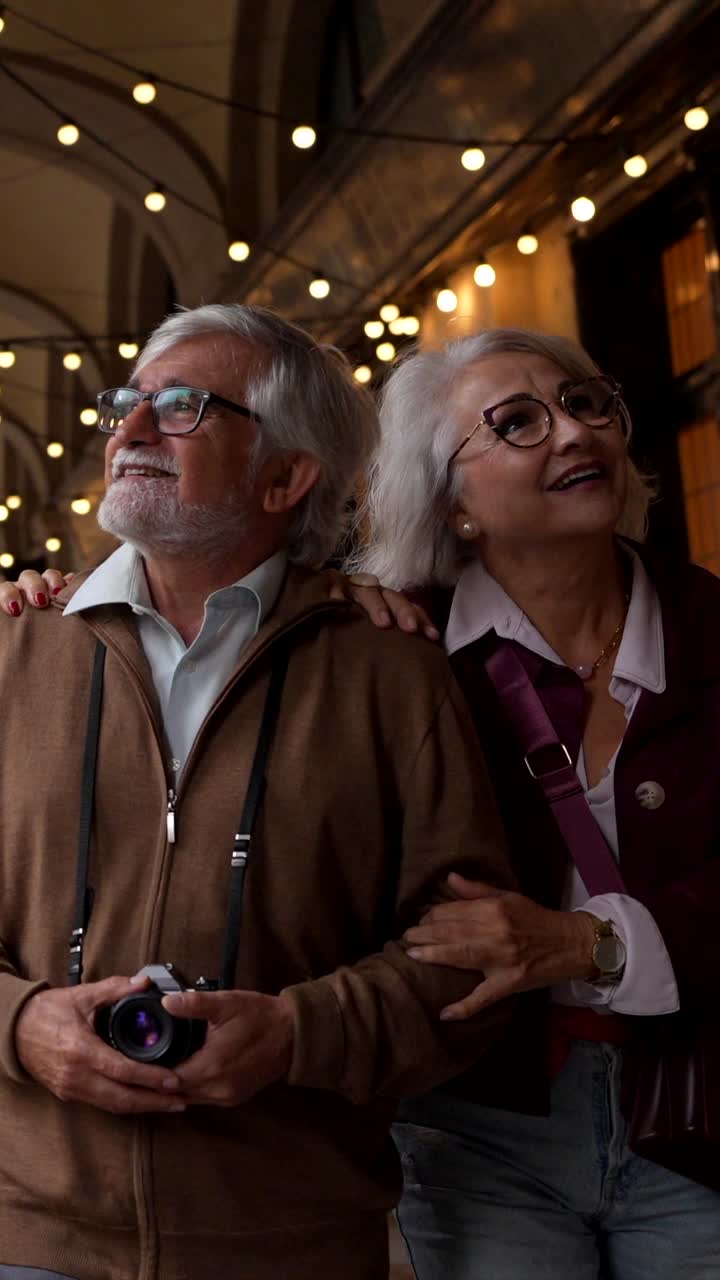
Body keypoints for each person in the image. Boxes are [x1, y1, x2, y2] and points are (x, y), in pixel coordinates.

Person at [0, 304, 515, 1280]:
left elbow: (472, 963)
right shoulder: (13, 651)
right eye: (128, 404)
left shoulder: (391, 670)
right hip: (27, 1240)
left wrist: (294, 1035)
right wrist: (21, 1026)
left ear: (285, 476)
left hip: (290, 1244)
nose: (131, 431)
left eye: (184, 408)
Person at [337, 328, 719, 1279]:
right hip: (479, 1121)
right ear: (452, 502)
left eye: (589, 404)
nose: (574, 433)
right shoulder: (391, 650)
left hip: (702, 1106)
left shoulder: (714, 627)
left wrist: (594, 946)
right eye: (519, 423)